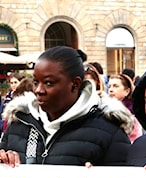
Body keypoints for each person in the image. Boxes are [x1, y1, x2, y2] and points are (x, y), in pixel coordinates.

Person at [0, 46, 133, 166]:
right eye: (35, 82)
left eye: (48, 83)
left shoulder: (109, 130)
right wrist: (3, 160)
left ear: (75, 84)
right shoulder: (20, 122)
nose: (38, 90)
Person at [108, 73, 144, 143]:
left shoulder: (132, 114)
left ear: (127, 91)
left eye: (115, 86)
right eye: (109, 86)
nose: (111, 90)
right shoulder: (104, 109)